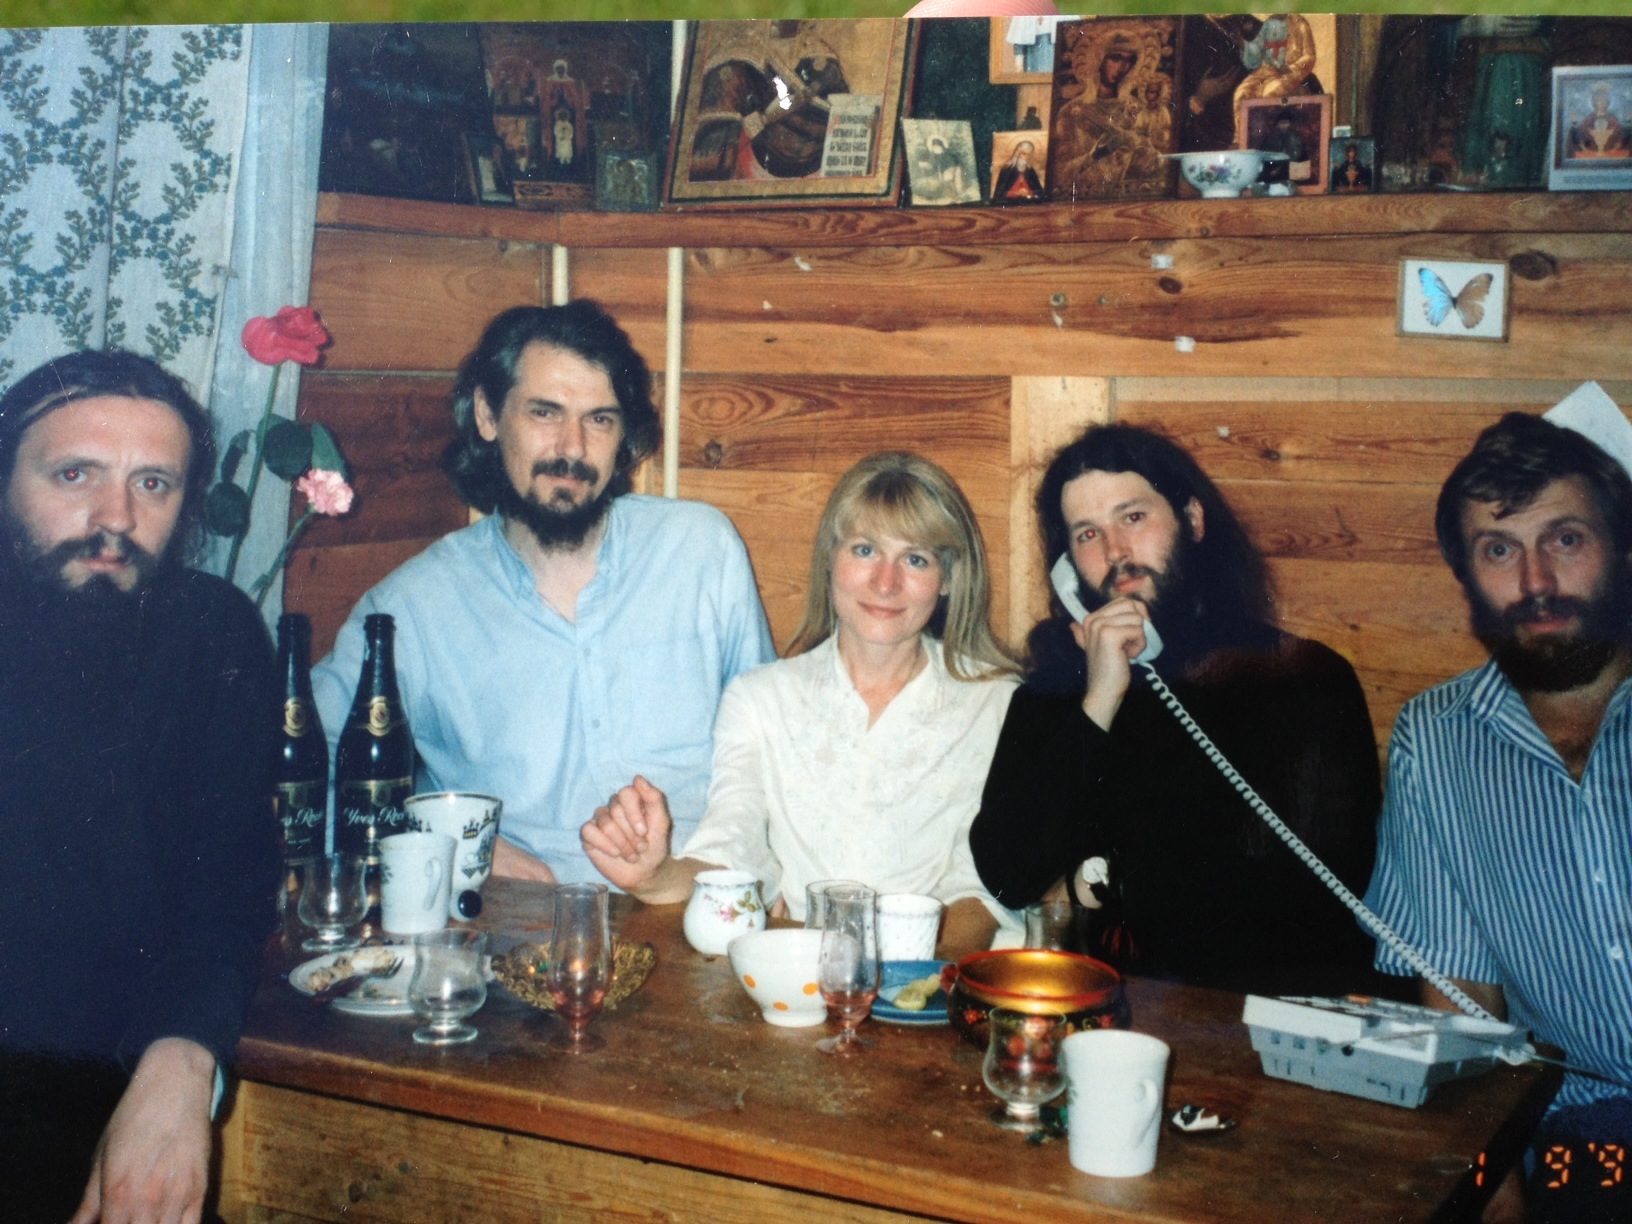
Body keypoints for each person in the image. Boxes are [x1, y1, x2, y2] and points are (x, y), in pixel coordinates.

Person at [313, 301, 773, 886]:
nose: (573, 448)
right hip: (517, 921)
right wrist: (447, 835)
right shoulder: (413, 607)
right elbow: (308, 763)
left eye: (599, 419)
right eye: (545, 413)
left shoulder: (700, 550)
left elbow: (769, 749)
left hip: (696, 906)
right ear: (488, 415)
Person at [0, 351, 278, 1222]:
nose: (115, 518)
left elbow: (227, 891)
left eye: (152, 484)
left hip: (114, 1106)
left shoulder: (213, 634)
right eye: (74, 474)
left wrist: (182, 1060)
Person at [970, 424, 1386, 997]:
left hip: (1253, 1015)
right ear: (1068, 568)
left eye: (1133, 518)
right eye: (1088, 534)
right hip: (1099, 1007)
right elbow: (1008, 874)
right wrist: (1101, 700)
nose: (1115, 552)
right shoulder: (1057, 694)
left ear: (1192, 521)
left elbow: (1312, 893)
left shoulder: (1303, 679)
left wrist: (1091, 877)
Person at [582, 452, 1022, 956]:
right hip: (804, 979)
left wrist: (907, 981)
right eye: (865, 550)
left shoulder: (1000, 704)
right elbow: (734, 847)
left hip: (951, 980)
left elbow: (983, 892)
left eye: (916, 559)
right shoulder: (760, 699)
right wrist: (655, 876)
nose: (886, 582)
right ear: (830, 559)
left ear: (949, 578)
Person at [1363, 408, 1632, 1222]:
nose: (1536, 581)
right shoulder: (1435, 743)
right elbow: (1460, 1000)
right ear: (1467, 578)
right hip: (1593, 1143)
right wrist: (1494, 1193)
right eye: (1499, 551)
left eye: (1565, 539)